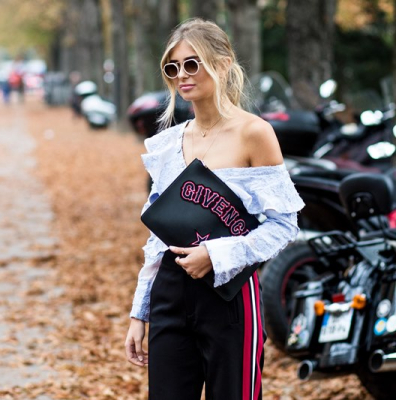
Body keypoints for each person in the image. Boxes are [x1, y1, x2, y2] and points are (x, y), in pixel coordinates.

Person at [124, 18, 305, 400]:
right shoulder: (169, 143)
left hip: (230, 296)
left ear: (223, 64)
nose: (182, 75)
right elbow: (158, 236)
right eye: (173, 67)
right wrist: (140, 311)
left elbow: (284, 226)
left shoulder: (253, 133)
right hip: (170, 294)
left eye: (193, 63)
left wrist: (217, 254)